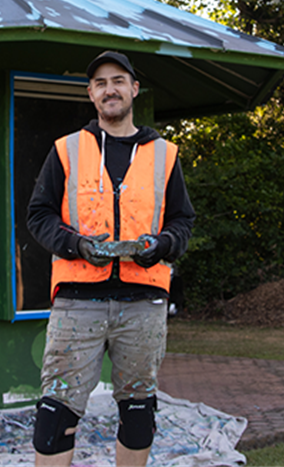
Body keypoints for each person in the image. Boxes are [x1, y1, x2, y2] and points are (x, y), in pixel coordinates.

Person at [27, 50, 195, 467]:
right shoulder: (66, 150)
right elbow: (39, 215)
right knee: (54, 415)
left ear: (134, 89)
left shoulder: (164, 155)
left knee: (139, 413)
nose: (110, 89)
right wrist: (78, 245)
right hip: (76, 303)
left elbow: (182, 221)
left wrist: (162, 245)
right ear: (90, 94)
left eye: (118, 80)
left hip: (144, 303)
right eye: (100, 83)